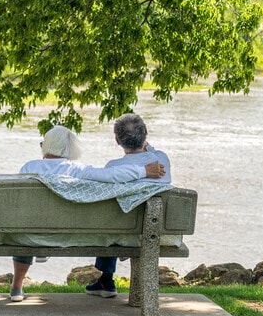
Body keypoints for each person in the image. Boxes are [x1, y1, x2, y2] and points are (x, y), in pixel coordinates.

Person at [9, 125, 166, 302]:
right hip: (72, 236)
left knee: (25, 221)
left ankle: (16, 287)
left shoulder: (29, 167)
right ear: (71, 149)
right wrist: (144, 170)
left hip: (32, 235)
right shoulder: (78, 170)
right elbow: (113, 175)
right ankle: (107, 279)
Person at [85, 113, 172, 298]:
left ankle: (106, 279)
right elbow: (153, 152)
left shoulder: (113, 166)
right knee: (124, 218)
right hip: (156, 233)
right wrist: (147, 145)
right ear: (145, 136)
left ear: (117, 140)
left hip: (123, 232)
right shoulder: (161, 161)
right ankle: (105, 280)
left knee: (114, 218)